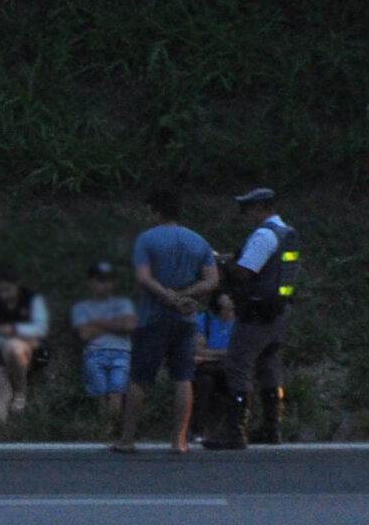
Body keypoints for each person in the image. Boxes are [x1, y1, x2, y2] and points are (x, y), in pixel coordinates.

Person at [115, 188, 219, 454]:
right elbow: (211, 281)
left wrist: (168, 298)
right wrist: (185, 296)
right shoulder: (198, 241)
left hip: (152, 316)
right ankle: (179, 440)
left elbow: (144, 278)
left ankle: (128, 439)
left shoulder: (147, 239)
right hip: (186, 319)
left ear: (157, 212)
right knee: (183, 378)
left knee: (139, 378)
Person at [204, 186, 296, 450]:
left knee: (237, 365)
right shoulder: (286, 233)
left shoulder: (264, 235)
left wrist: (222, 263)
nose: (244, 215)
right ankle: (271, 427)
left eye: (246, 209)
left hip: (257, 312)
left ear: (260, 208)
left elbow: (245, 273)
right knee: (269, 368)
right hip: (278, 309)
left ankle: (235, 430)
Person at [0, 267, 50, 423]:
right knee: (0, 387)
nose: (4, 294)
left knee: (14, 347)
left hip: (26, 351)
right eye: (0, 290)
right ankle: (0, 432)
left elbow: (40, 328)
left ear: (17, 285)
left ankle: (21, 391)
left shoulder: (32, 300)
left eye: (8, 289)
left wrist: (13, 330)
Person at [70, 262, 137, 425]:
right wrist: (115, 324)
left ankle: (112, 428)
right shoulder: (82, 307)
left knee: (116, 392)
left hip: (121, 353)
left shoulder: (123, 304)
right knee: (99, 395)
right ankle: (103, 430)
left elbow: (129, 326)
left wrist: (98, 323)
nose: (105, 285)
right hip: (94, 353)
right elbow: (84, 333)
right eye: (100, 281)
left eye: (109, 280)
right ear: (90, 283)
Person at [191, 290, 237, 412]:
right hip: (207, 367)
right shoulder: (204, 320)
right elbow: (198, 350)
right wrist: (222, 354)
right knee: (205, 381)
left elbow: (239, 353)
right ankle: (198, 426)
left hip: (228, 367)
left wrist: (209, 356)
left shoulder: (241, 322)